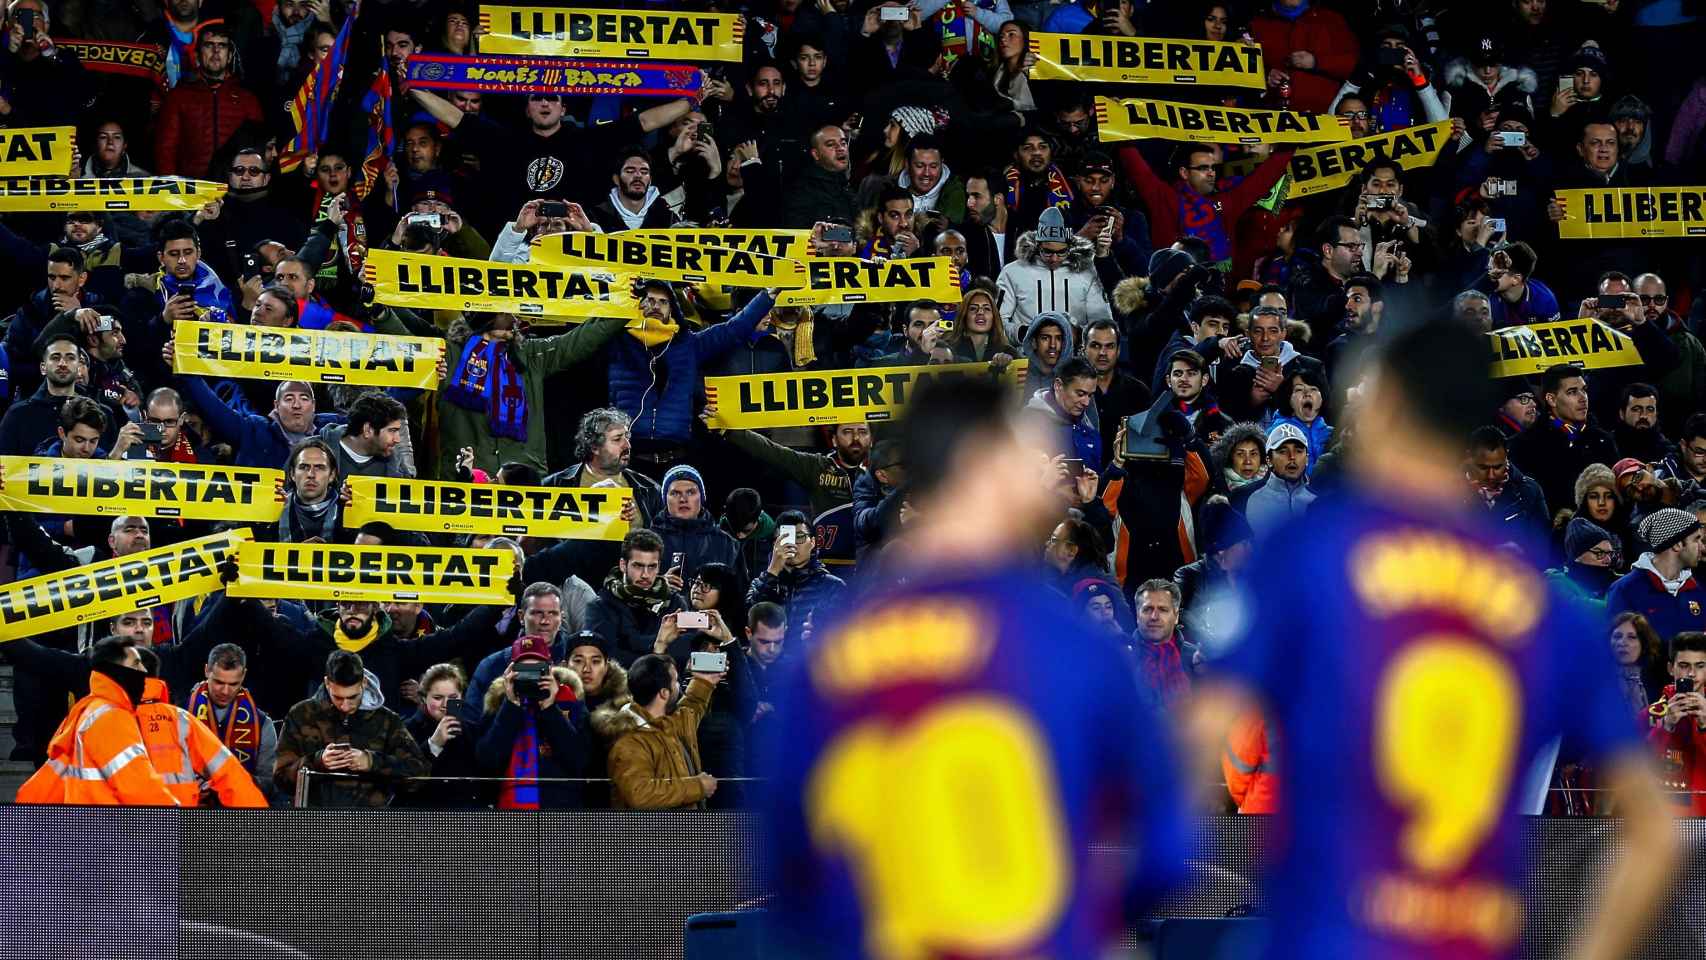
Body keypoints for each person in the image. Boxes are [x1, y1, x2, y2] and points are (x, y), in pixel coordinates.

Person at [1193, 321, 1676, 960]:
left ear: (1387, 404)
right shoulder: (1542, 602)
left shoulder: (1312, 556)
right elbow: (1657, 832)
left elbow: (1201, 734)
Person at [765, 373, 1188, 957]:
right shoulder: (1066, 643)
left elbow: (788, 872)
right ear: (981, 463)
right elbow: (1167, 845)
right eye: (1026, 451)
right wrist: (1082, 919)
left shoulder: (828, 657)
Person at [15, 637, 179, 806]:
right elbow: (140, 788)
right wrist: (182, 825)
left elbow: (49, 781)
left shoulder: (88, 709)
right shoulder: (111, 718)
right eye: (136, 664)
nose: (144, 670)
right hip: (108, 826)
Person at [273, 650, 431, 808]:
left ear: (364, 683)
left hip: (369, 826)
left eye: (352, 697)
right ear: (327, 683)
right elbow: (280, 780)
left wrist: (371, 762)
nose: (345, 706)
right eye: (338, 697)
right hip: (315, 823)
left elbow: (419, 775)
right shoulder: (301, 715)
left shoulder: (387, 721)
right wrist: (318, 761)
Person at [475, 635, 589, 809]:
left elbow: (579, 761)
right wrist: (511, 706)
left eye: (537, 670)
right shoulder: (497, 705)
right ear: (510, 672)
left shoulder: (571, 701)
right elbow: (488, 762)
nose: (530, 677)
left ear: (550, 669)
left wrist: (550, 707)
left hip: (559, 811)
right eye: (523, 670)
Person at [604, 653, 722, 810]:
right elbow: (641, 793)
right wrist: (698, 787)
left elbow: (692, 706)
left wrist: (704, 681)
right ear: (664, 693)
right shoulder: (629, 742)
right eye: (676, 681)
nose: (679, 686)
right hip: (654, 833)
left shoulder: (670, 723)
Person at [1509, 364, 1618, 516]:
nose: (1583, 398)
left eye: (1584, 390)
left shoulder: (1602, 440)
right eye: (1572, 392)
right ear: (1551, 399)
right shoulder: (1523, 445)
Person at [585, 529, 688, 666]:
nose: (645, 575)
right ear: (623, 565)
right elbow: (608, 659)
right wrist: (658, 645)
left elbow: (683, 654)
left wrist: (635, 644)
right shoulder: (600, 606)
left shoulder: (674, 603)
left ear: (659, 567)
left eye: (652, 567)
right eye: (638, 566)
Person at [1605, 509, 1706, 645]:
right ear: (1677, 544)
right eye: (1696, 540)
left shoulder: (1698, 589)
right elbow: (1617, 648)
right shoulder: (1625, 590)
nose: (1702, 547)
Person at [746, 510, 848, 643]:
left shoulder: (833, 586)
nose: (792, 544)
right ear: (774, 545)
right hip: (769, 660)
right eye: (784, 538)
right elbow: (750, 621)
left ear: (812, 542)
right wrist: (772, 572)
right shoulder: (760, 583)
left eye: (799, 537)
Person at [184, 643, 278, 786]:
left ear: (244, 675)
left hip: (241, 805)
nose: (225, 691)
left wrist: (228, 779)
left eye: (233, 684)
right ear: (206, 671)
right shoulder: (180, 715)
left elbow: (268, 783)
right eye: (219, 682)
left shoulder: (262, 724)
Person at [1647, 632, 1706, 815]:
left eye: (1700, 666)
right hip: (1666, 821)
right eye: (1683, 665)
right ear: (1670, 668)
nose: (1691, 674)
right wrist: (1665, 727)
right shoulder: (1648, 715)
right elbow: (1636, 768)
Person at [1465, 426, 1550, 544]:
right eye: (1483, 467)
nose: (1491, 476)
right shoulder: (1445, 493)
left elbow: (1543, 546)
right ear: (1469, 457)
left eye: (1497, 467)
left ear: (1507, 456)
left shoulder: (1529, 491)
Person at [1230, 422, 1316, 538]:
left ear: (1307, 459)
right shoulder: (1242, 498)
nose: (1292, 457)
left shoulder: (1319, 500)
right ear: (1269, 460)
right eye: (1283, 451)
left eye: (1298, 451)